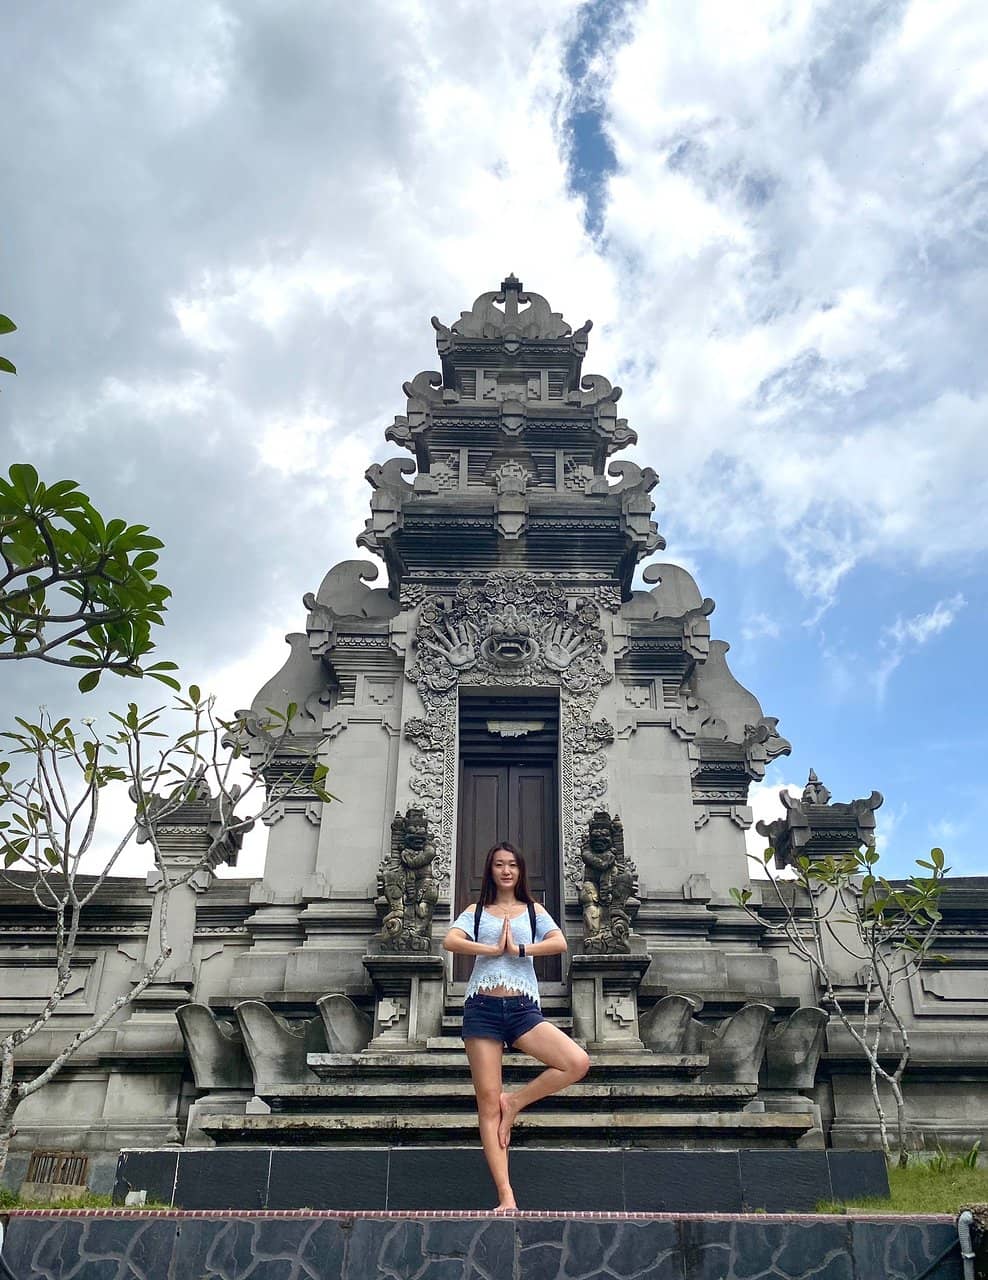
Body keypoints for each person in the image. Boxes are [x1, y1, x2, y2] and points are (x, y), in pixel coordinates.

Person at [442, 842, 591, 1211]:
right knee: (487, 1104)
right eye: (498, 865)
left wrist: (520, 951)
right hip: (482, 1008)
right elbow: (449, 941)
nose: (506, 871)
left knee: (576, 1062)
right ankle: (506, 1195)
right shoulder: (475, 912)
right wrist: (490, 950)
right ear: (489, 870)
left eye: (512, 865)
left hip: (523, 1008)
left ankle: (516, 1102)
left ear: (520, 870)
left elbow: (559, 943)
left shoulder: (533, 910)